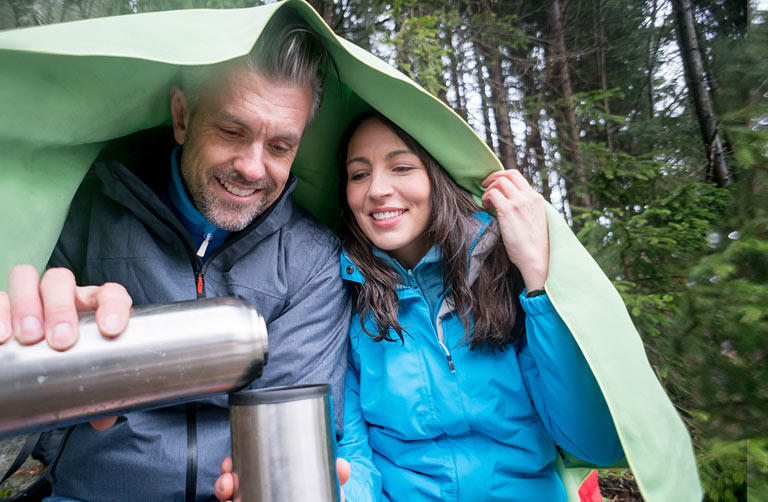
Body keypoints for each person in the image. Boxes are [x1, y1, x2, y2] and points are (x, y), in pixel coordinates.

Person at [0, 14, 350, 502]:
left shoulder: (312, 259)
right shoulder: (87, 211)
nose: (252, 167)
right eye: (232, 130)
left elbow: (288, 425)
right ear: (182, 116)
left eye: (279, 146)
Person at [334, 111, 624, 501]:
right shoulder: (344, 300)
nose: (377, 190)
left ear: (438, 175)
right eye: (359, 174)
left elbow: (594, 444)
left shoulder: (506, 280)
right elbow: (353, 460)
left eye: (401, 167)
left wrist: (536, 278)